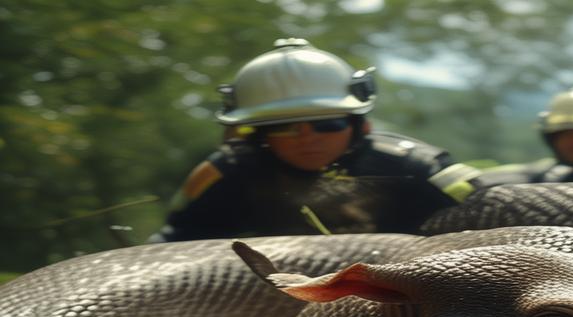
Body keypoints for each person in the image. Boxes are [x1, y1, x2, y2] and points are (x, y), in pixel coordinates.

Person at [152, 38, 480, 243]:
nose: (307, 138)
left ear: (359, 125)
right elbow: (174, 245)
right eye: (283, 127)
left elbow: (486, 214)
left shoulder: (415, 166)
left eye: (327, 124)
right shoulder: (228, 173)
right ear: (256, 133)